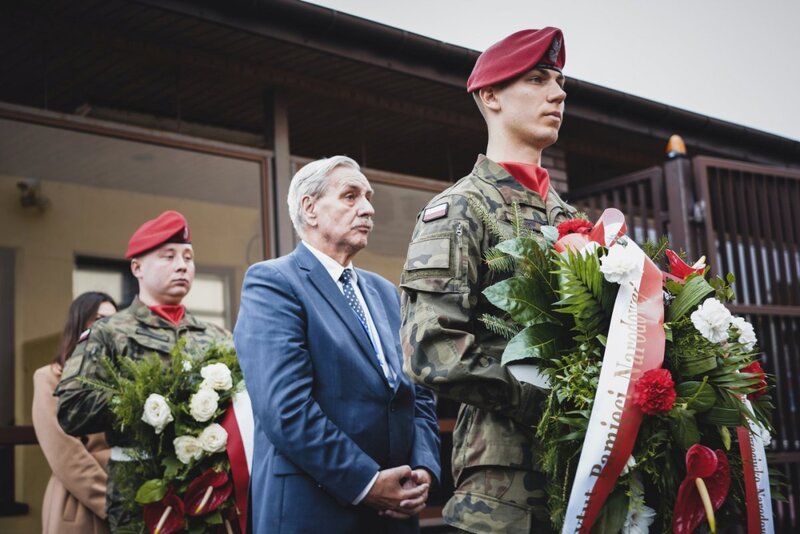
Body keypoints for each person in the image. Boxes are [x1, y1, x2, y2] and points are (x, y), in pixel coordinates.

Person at [400, 28, 577, 533]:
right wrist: (548, 397)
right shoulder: (460, 209)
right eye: (539, 79)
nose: (558, 94)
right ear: (490, 95)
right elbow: (431, 350)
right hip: (505, 483)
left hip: (587, 470)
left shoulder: (572, 219)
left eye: (560, 82)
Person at [234, 156, 441, 533]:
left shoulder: (383, 291)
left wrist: (424, 466)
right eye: (350, 196)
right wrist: (367, 483)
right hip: (313, 513)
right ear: (309, 208)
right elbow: (287, 409)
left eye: (368, 197)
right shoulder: (273, 283)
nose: (368, 208)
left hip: (394, 514)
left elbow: (417, 392)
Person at [55, 210, 232, 531]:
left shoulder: (216, 337)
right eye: (168, 256)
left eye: (188, 257)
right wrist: (142, 402)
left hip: (207, 489)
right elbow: (71, 409)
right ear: (137, 267)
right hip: (141, 493)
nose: (182, 265)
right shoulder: (108, 333)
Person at [33, 292, 117, 534]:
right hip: (79, 502)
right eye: (99, 318)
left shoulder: (123, 377)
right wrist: (112, 503)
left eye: (113, 320)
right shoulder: (49, 377)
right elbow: (65, 454)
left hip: (126, 495)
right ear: (79, 324)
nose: (106, 327)